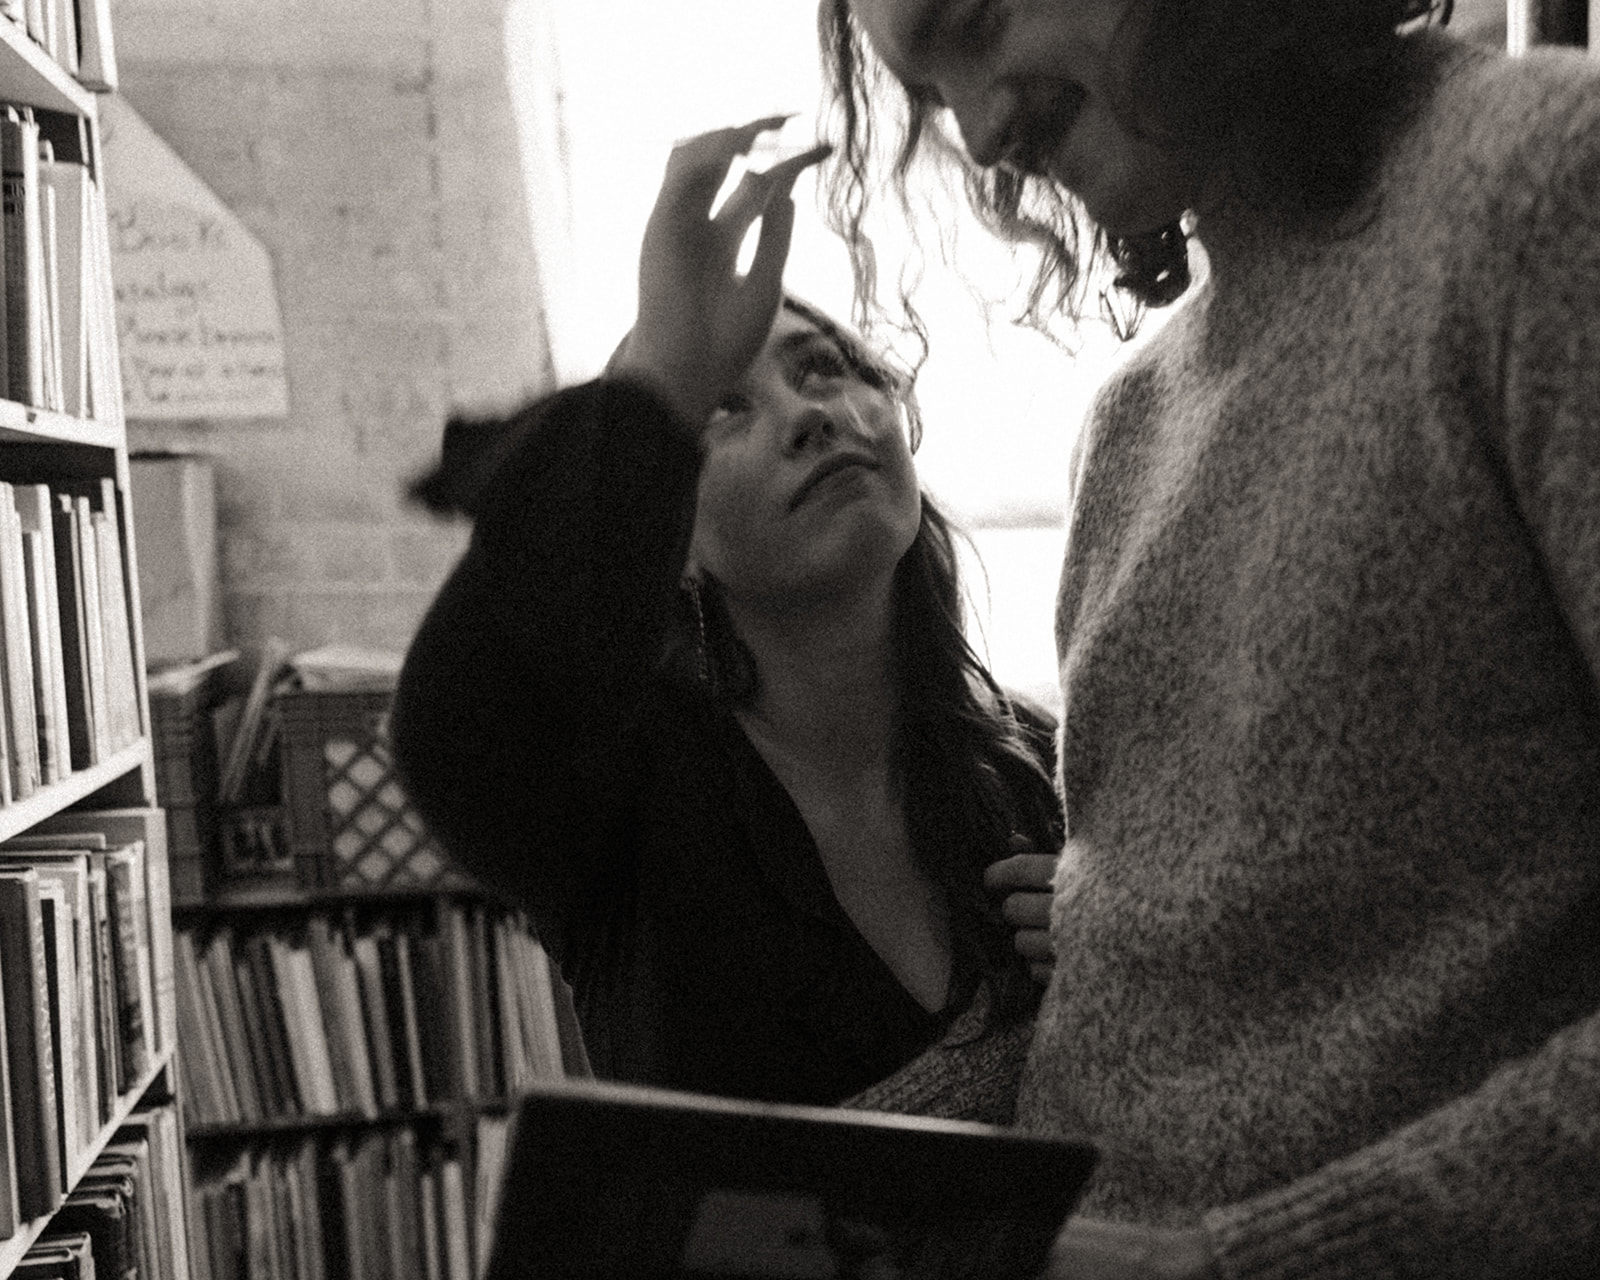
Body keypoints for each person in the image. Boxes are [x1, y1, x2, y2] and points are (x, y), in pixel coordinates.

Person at [811, 0, 1600, 1275]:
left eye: (975, 23)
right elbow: (1142, 989)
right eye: (929, 93)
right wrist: (784, 1175)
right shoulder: (1128, 423)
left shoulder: (1538, 190)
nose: (978, 128)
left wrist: (1234, 1260)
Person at [390, 119, 1064, 1111]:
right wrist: (662, 376)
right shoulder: (626, 793)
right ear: (672, 536)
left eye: (823, 368)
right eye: (725, 409)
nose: (807, 415)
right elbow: (456, 730)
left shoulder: (1037, 765)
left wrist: (1119, 959)